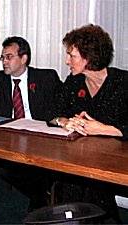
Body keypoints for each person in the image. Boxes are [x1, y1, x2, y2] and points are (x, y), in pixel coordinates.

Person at [50, 24, 128, 222]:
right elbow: (51, 112)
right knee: (68, 177)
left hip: (117, 158)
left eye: (72, 56)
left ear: (89, 57)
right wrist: (65, 121)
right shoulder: (74, 81)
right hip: (82, 156)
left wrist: (104, 129)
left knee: (84, 184)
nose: (67, 61)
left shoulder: (123, 82)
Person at [0, 36, 62, 211]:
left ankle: (39, 201)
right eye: (2, 57)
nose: (4, 62)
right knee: (1, 165)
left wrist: (59, 119)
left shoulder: (46, 77)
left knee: (46, 165)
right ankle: (40, 200)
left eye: (9, 57)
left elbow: (62, 105)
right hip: (11, 138)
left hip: (40, 137)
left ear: (24, 59)